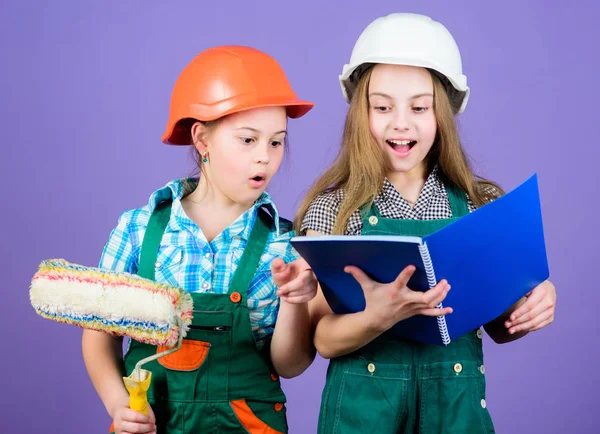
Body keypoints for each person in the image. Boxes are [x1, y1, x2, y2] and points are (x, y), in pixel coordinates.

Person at [291, 13, 557, 433]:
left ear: (443, 114)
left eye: (419, 107)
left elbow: (502, 327)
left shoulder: (479, 205)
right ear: (361, 112)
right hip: (361, 418)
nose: (401, 122)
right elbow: (321, 338)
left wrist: (533, 299)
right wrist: (377, 317)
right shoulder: (333, 210)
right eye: (382, 107)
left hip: (455, 414)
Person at [82, 45, 317, 434]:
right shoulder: (139, 230)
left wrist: (296, 302)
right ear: (202, 140)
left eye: (276, 142)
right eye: (248, 140)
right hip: (152, 422)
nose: (266, 157)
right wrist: (117, 403)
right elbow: (98, 335)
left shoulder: (283, 245)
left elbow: (288, 365)